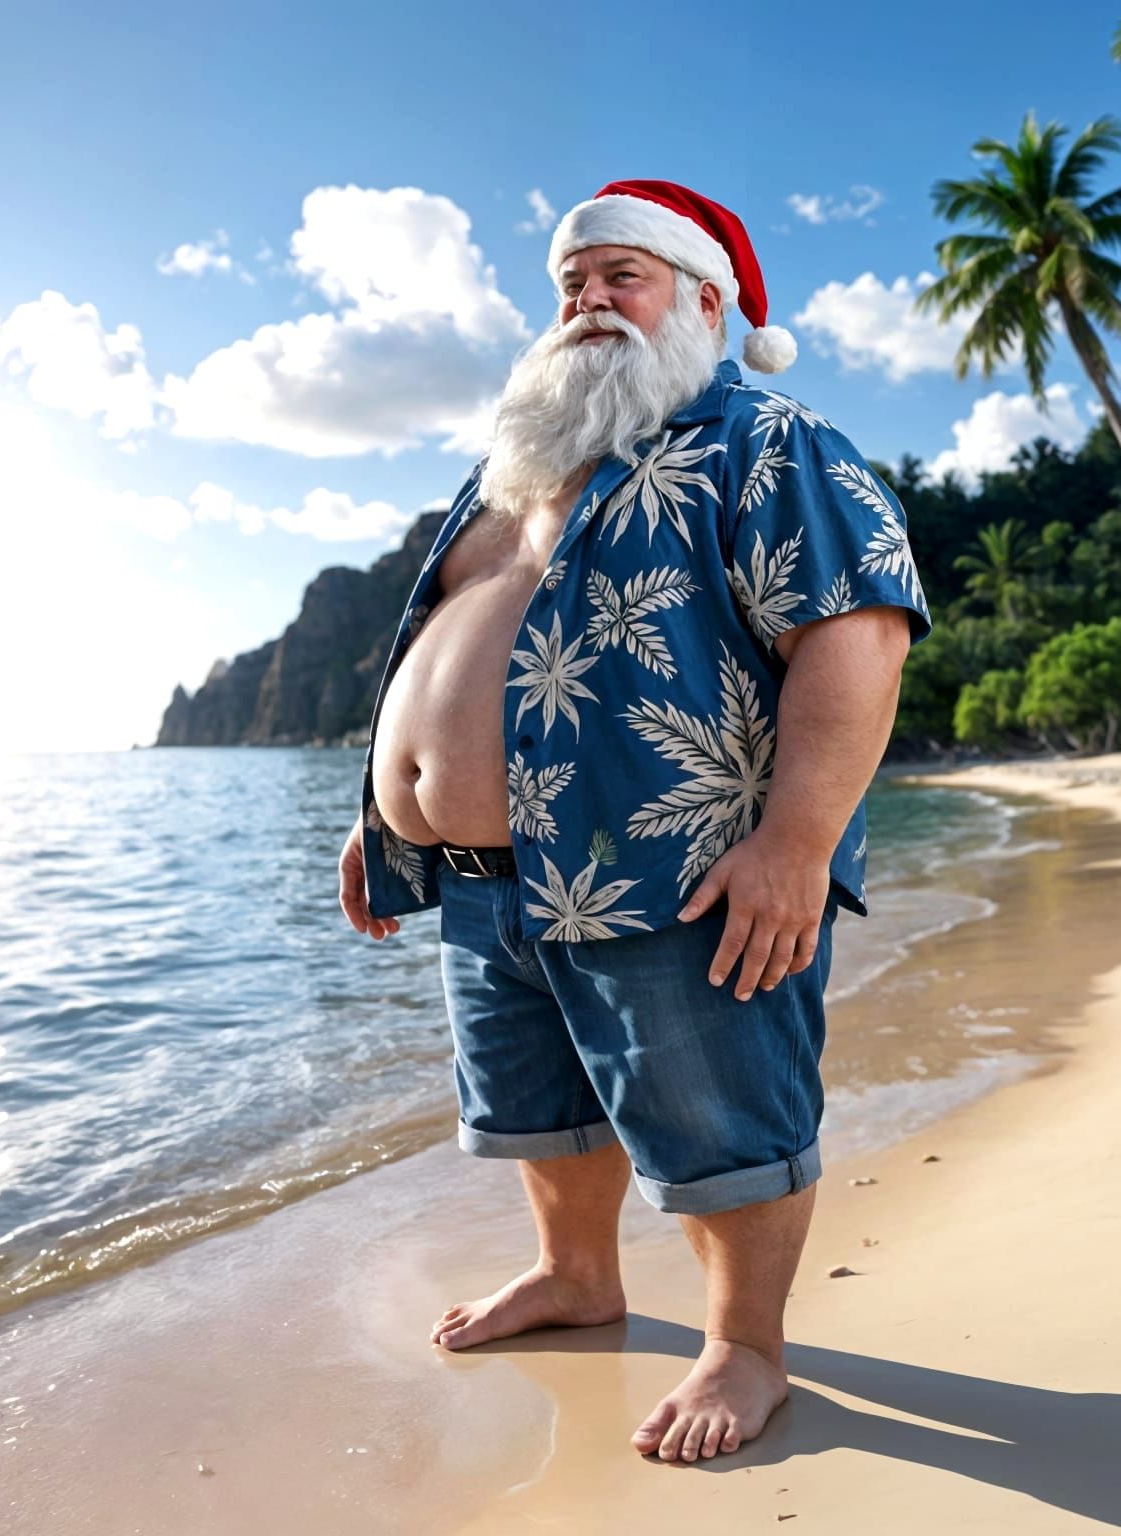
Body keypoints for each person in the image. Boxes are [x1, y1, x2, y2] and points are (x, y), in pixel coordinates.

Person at [337, 180, 931, 1464]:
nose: (589, 303)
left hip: (677, 863)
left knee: (724, 1116)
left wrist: (795, 843)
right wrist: (383, 815)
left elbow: (859, 633)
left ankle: (748, 1347)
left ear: (704, 302)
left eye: (625, 277)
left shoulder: (763, 440)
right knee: (542, 1105)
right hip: (483, 877)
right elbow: (439, 651)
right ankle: (577, 1277)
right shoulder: (511, 472)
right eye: (572, 285)